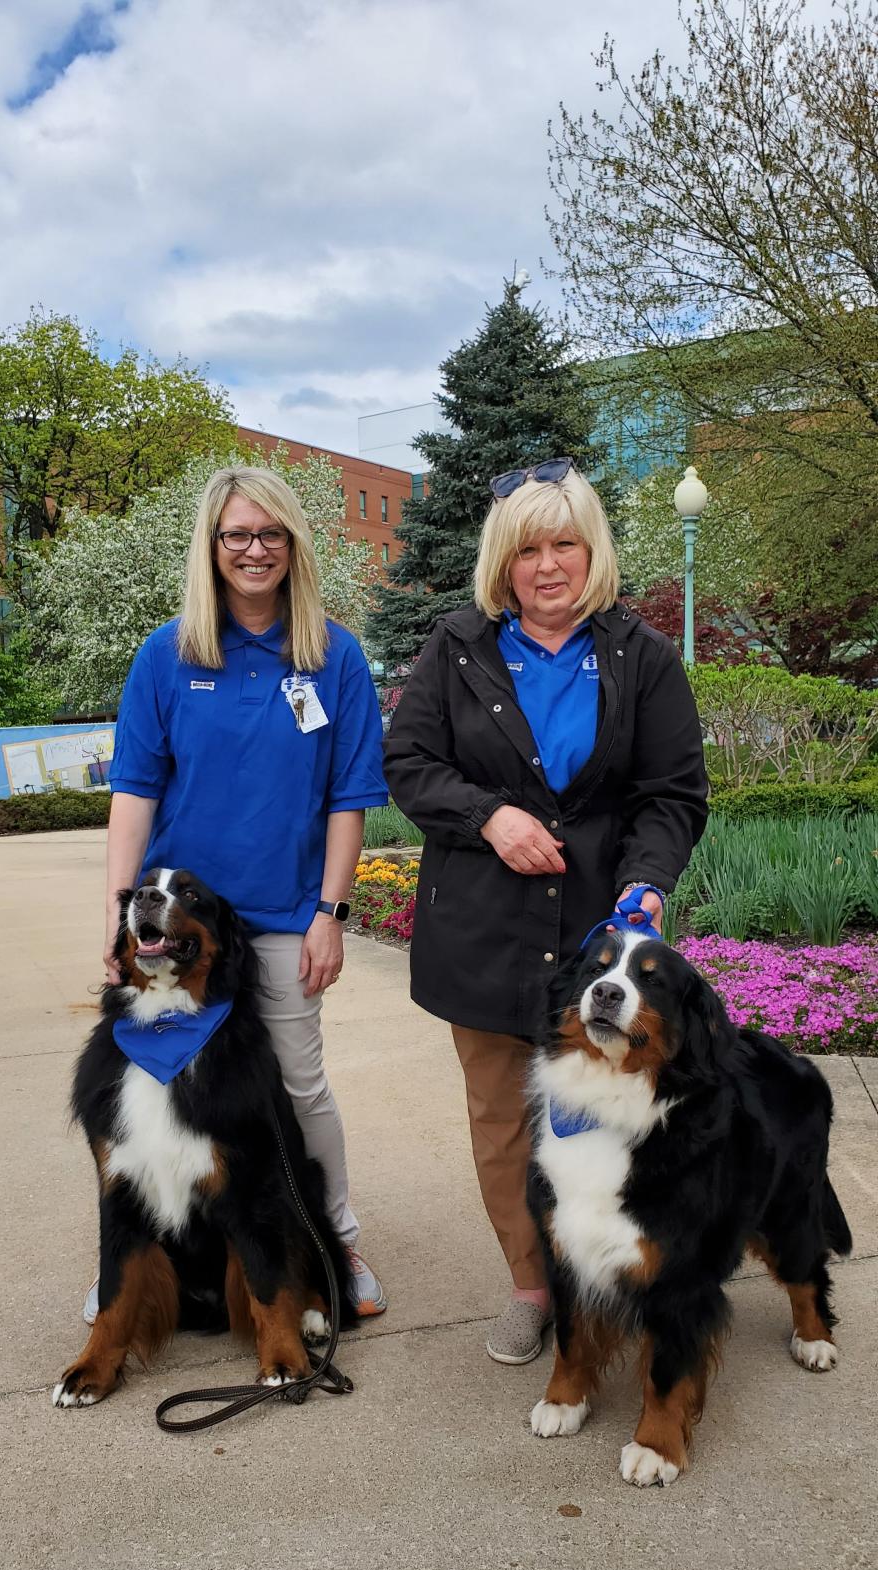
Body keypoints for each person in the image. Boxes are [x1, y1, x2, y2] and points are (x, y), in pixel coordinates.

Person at [384, 459, 708, 1365]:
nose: (548, 564)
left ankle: (618, 1271)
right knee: (503, 1119)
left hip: (600, 941)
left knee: (619, 1113)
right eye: (528, 547)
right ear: (504, 559)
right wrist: (488, 815)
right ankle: (535, 1288)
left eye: (565, 542)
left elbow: (673, 792)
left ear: (591, 550)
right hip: (483, 935)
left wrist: (645, 884)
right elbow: (408, 765)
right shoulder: (456, 648)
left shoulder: (640, 657)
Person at [84, 464, 389, 1322]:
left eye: (270, 534)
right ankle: (135, 1254)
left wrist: (331, 913)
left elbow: (349, 796)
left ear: (294, 545)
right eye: (236, 536)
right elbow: (135, 791)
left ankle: (334, 1237)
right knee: (157, 1088)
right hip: (181, 925)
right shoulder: (168, 653)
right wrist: (120, 916)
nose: (254, 550)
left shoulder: (333, 655)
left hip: (288, 915)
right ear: (212, 548)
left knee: (294, 1085)